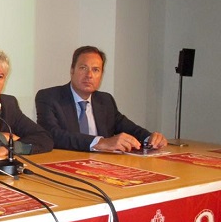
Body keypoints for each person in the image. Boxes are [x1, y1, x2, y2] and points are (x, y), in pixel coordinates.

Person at [35, 45, 167, 152]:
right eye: (83, 68)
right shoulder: (49, 97)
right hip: (65, 167)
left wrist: (149, 138)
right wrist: (101, 142)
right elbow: (52, 135)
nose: (89, 75)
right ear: (72, 70)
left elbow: (129, 128)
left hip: (102, 168)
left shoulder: (105, 100)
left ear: (101, 75)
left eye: (96, 70)